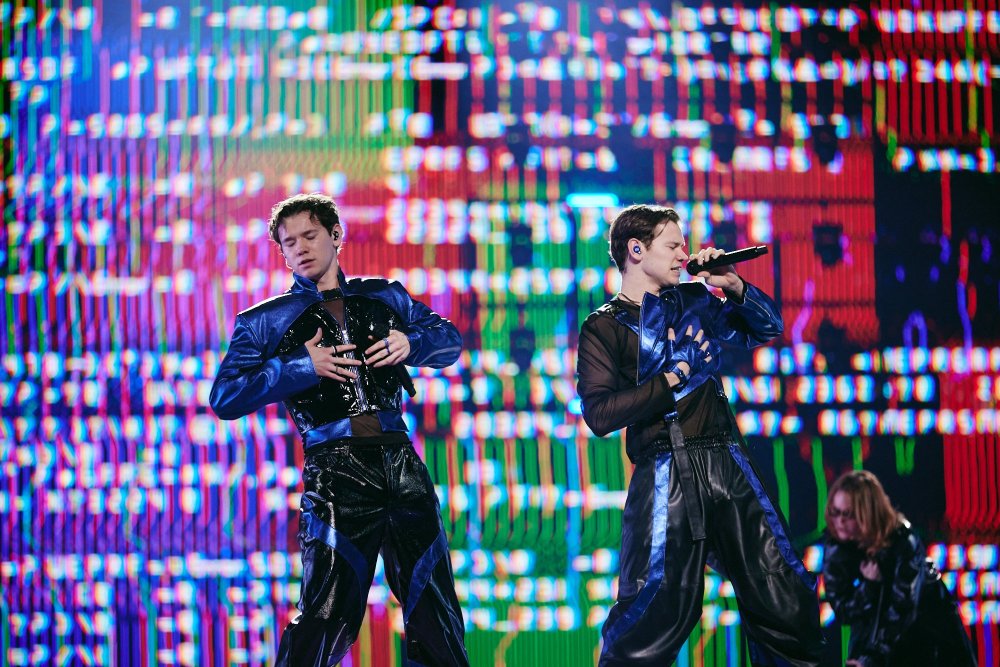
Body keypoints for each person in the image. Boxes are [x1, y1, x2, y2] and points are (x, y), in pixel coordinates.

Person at [210, 193, 469, 667]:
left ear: (335, 235)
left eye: (309, 235)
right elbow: (225, 397)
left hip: (401, 464)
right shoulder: (263, 321)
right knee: (325, 612)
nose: (300, 248)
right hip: (336, 473)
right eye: (289, 243)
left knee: (435, 606)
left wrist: (412, 343)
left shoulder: (384, 295)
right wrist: (298, 367)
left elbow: (449, 341)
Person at [576, 204, 824, 666]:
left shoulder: (695, 300)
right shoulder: (604, 325)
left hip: (728, 464)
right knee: (658, 608)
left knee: (783, 592)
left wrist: (734, 286)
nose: (683, 255)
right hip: (667, 473)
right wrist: (670, 379)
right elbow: (600, 412)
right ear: (636, 250)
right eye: (672, 245)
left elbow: (767, 327)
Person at [823, 470, 977, 667]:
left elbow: (903, 610)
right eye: (835, 512)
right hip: (878, 644)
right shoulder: (836, 547)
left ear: (867, 513)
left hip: (927, 643)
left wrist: (872, 659)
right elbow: (843, 610)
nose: (840, 521)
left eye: (847, 513)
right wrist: (869, 586)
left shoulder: (904, 543)